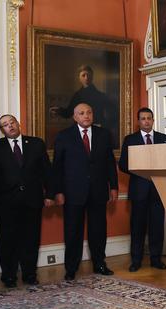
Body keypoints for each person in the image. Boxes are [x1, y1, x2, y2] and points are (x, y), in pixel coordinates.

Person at [52, 103, 118, 281]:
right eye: (81, 113)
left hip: (98, 191)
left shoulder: (103, 135)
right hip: (73, 192)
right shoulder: (64, 136)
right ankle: (71, 268)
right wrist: (57, 191)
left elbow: (110, 163)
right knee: (73, 232)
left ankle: (100, 264)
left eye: (89, 112)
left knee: (98, 230)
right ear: (75, 117)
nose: (86, 116)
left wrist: (114, 186)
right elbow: (57, 167)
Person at [0, 114, 54, 288]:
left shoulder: (36, 143)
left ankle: (29, 274)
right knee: (7, 240)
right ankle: (8, 275)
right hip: (5, 204)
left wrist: (50, 195)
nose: (10, 126)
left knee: (31, 239)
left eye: (12, 122)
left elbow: (46, 171)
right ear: (2, 130)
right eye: (5, 125)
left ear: (18, 124)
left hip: (32, 201)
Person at [118, 107, 166, 272]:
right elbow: (123, 165)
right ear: (138, 121)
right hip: (139, 189)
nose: (146, 121)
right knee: (137, 227)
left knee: (157, 227)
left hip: (158, 190)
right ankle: (136, 260)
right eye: (143, 118)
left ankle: (156, 259)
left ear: (153, 120)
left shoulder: (163, 138)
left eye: (149, 118)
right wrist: (139, 169)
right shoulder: (130, 139)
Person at [50, 65, 118, 146]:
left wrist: (103, 124)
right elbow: (69, 112)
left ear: (92, 77)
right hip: (80, 132)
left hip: (98, 132)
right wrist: (59, 110)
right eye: (83, 75)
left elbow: (113, 112)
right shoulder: (77, 95)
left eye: (88, 75)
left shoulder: (100, 95)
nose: (86, 78)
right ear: (79, 78)